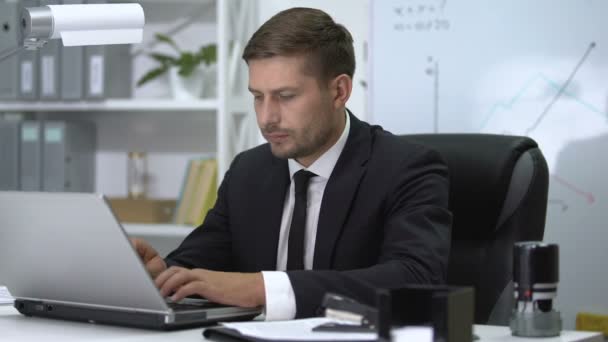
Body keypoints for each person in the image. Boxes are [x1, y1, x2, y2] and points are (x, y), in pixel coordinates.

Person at [131, 7, 452, 320]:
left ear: (339, 91)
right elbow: (201, 262)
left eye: (285, 96)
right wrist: (164, 274)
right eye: (258, 96)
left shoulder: (407, 168)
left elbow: (415, 279)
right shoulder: (248, 171)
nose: (267, 117)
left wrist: (265, 288)